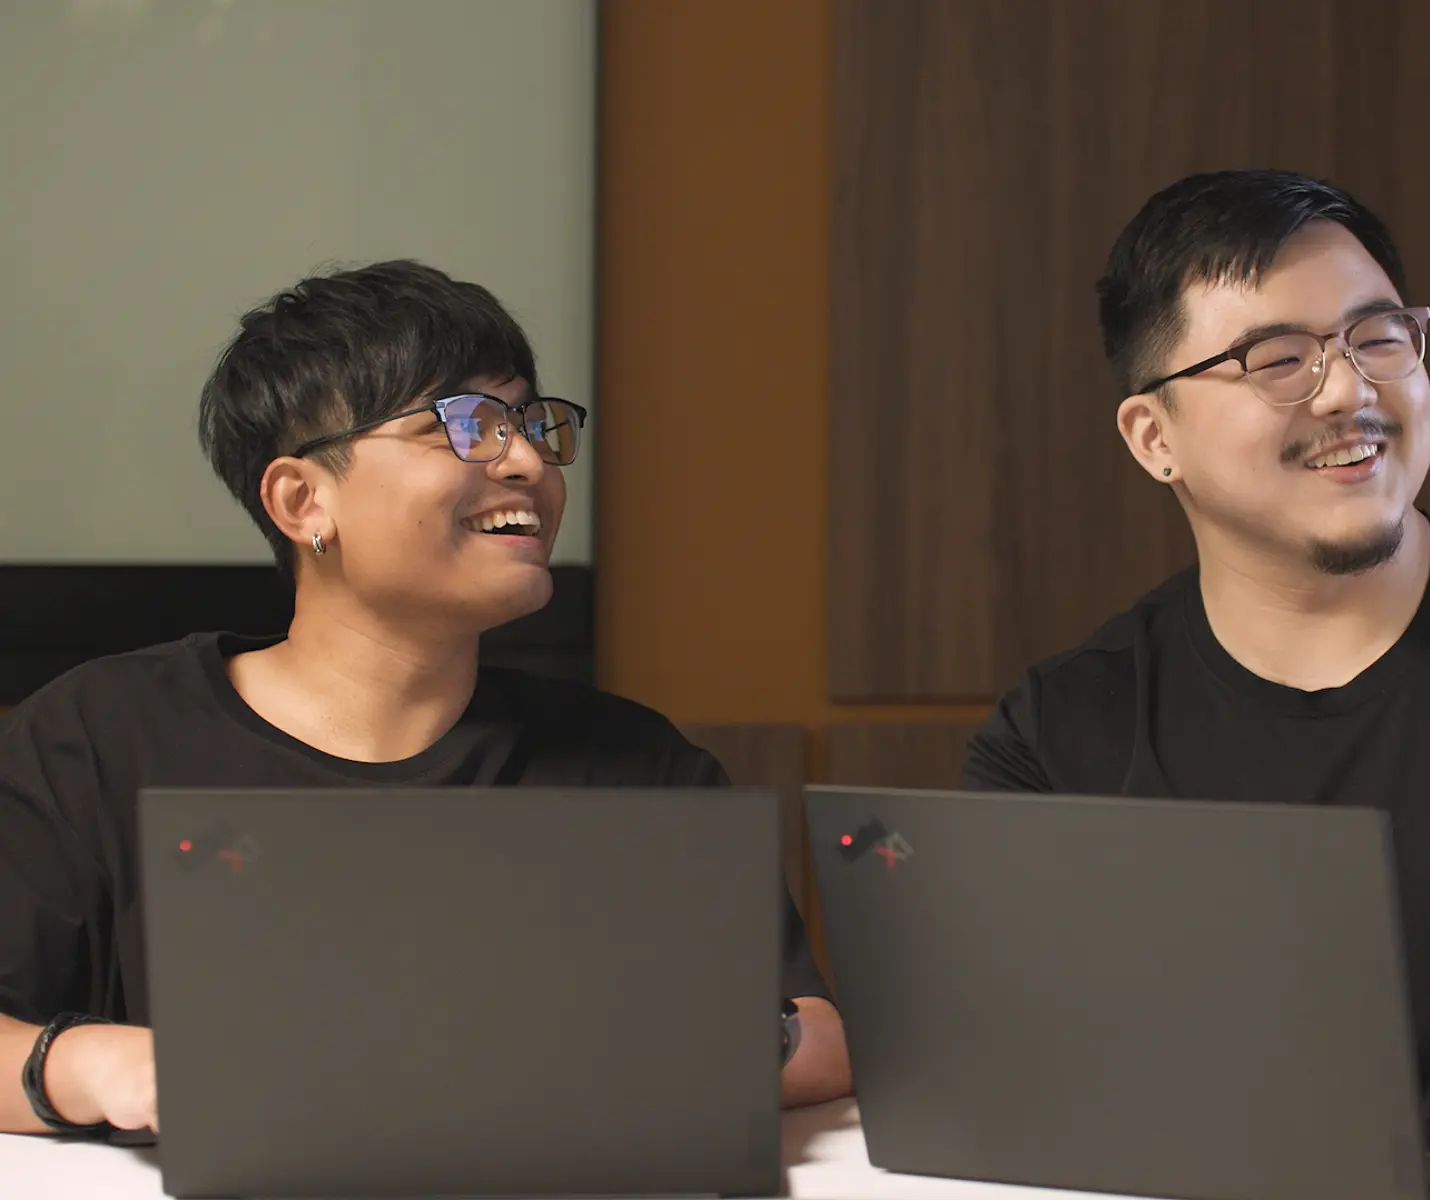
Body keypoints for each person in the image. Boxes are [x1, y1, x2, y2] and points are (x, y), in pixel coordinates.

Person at [0, 260, 851, 1137]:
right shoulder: (100, 735)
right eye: (466, 426)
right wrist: (112, 1067)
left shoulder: (632, 761)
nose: (527, 462)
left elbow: (816, 1033)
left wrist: (645, 1050)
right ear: (302, 501)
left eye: (529, 424)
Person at [964, 169, 1430, 1192]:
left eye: (1377, 337)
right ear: (1153, 437)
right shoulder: (1057, 739)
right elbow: (1022, 1103)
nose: (1349, 391)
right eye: (1277, 360)